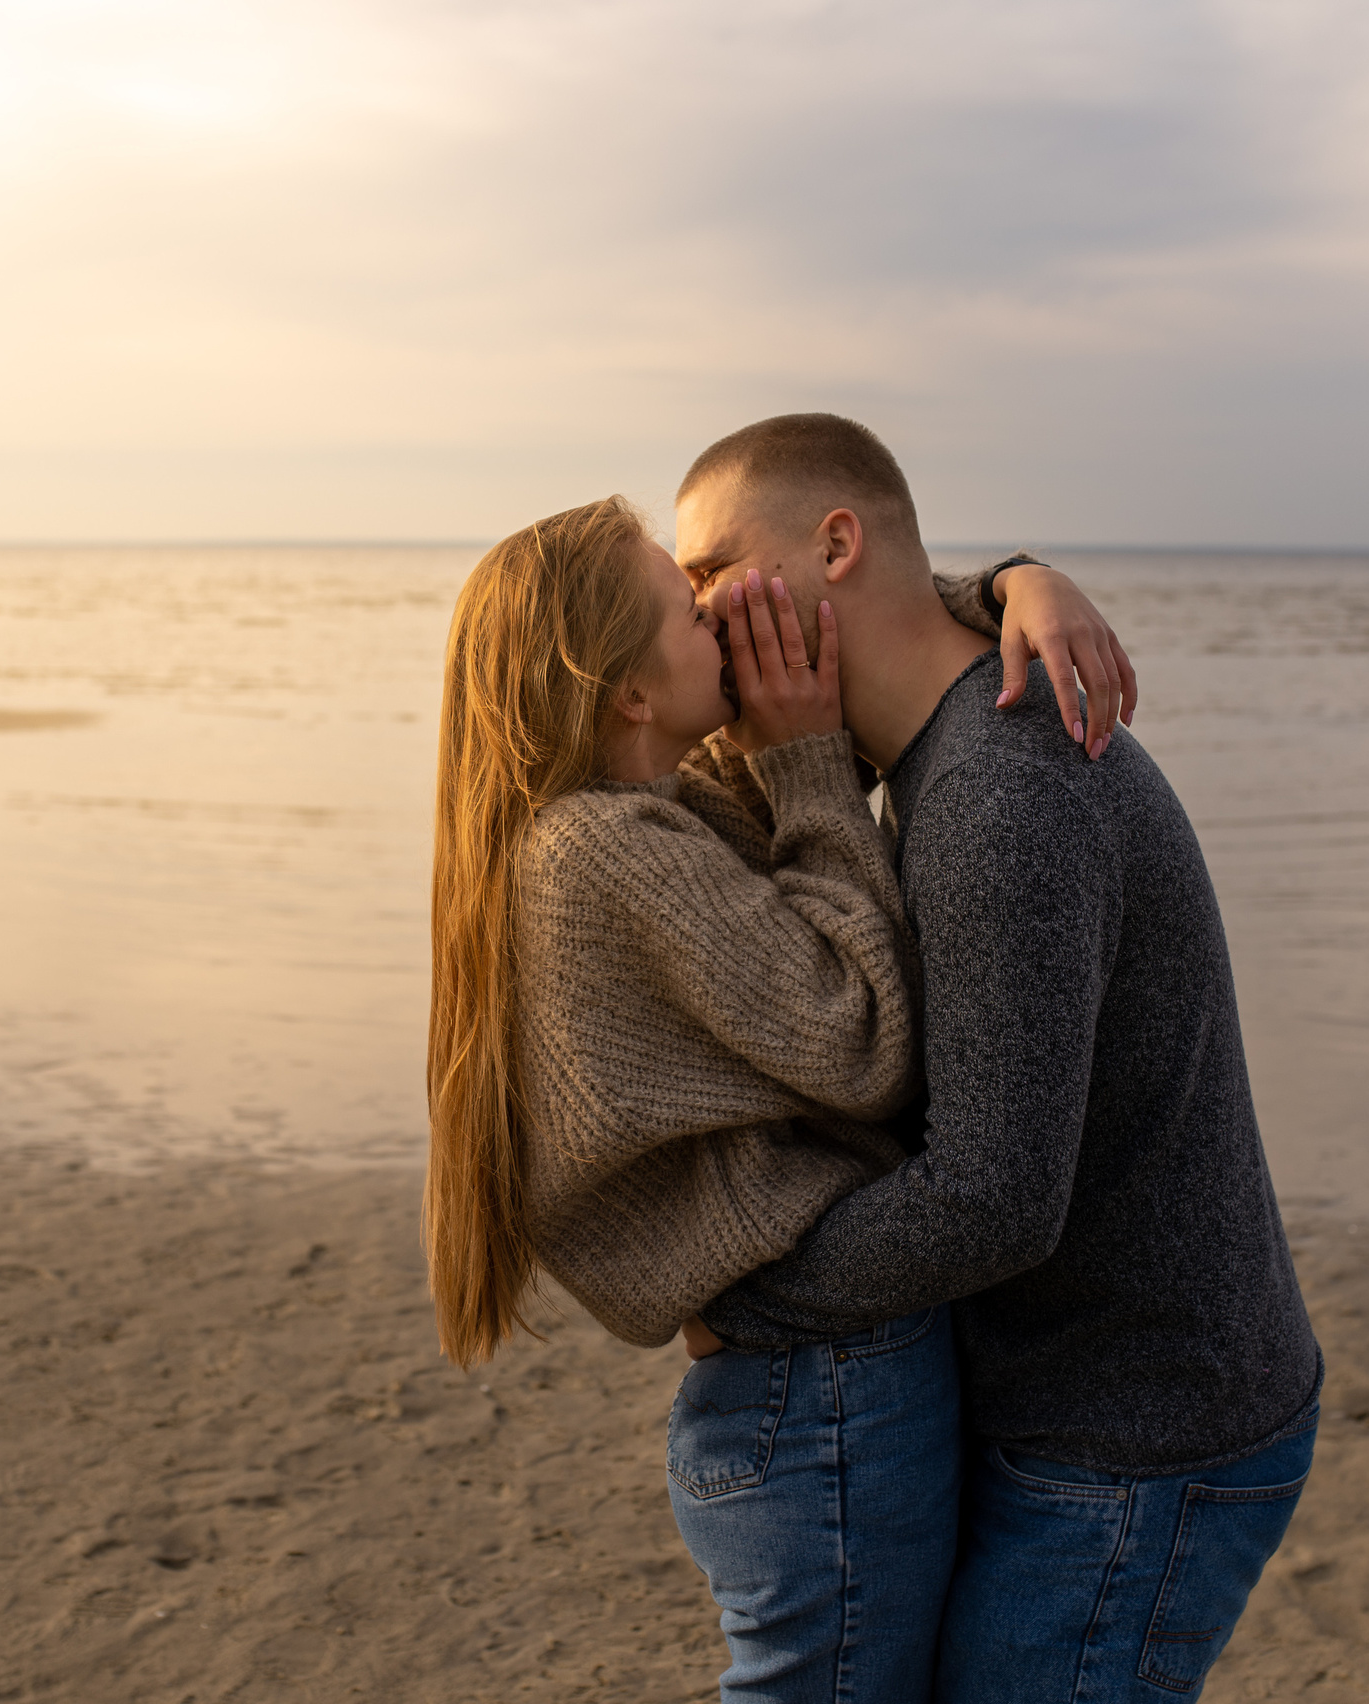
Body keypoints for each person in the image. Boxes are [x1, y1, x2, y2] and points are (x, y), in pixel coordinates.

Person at [424, 494, 1133, 1703]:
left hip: (811, 1386)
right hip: (819, 1391)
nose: (721, 615)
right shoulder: (600, 850)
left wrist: (1013, 582)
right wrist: (804, 765)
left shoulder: (653, 807)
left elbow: (865, 652)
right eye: (688, 608)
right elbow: (863, 1040)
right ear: (630, 695)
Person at [674, 414, 1322, 1704]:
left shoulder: (993, 797)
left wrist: (735, 1294)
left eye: (708, 576)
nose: (696, 619)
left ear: (835, 545)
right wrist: (1011, 575)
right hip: (1097, 1390)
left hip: (1139, 1433)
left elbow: (991, 1199)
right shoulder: (942, 739)